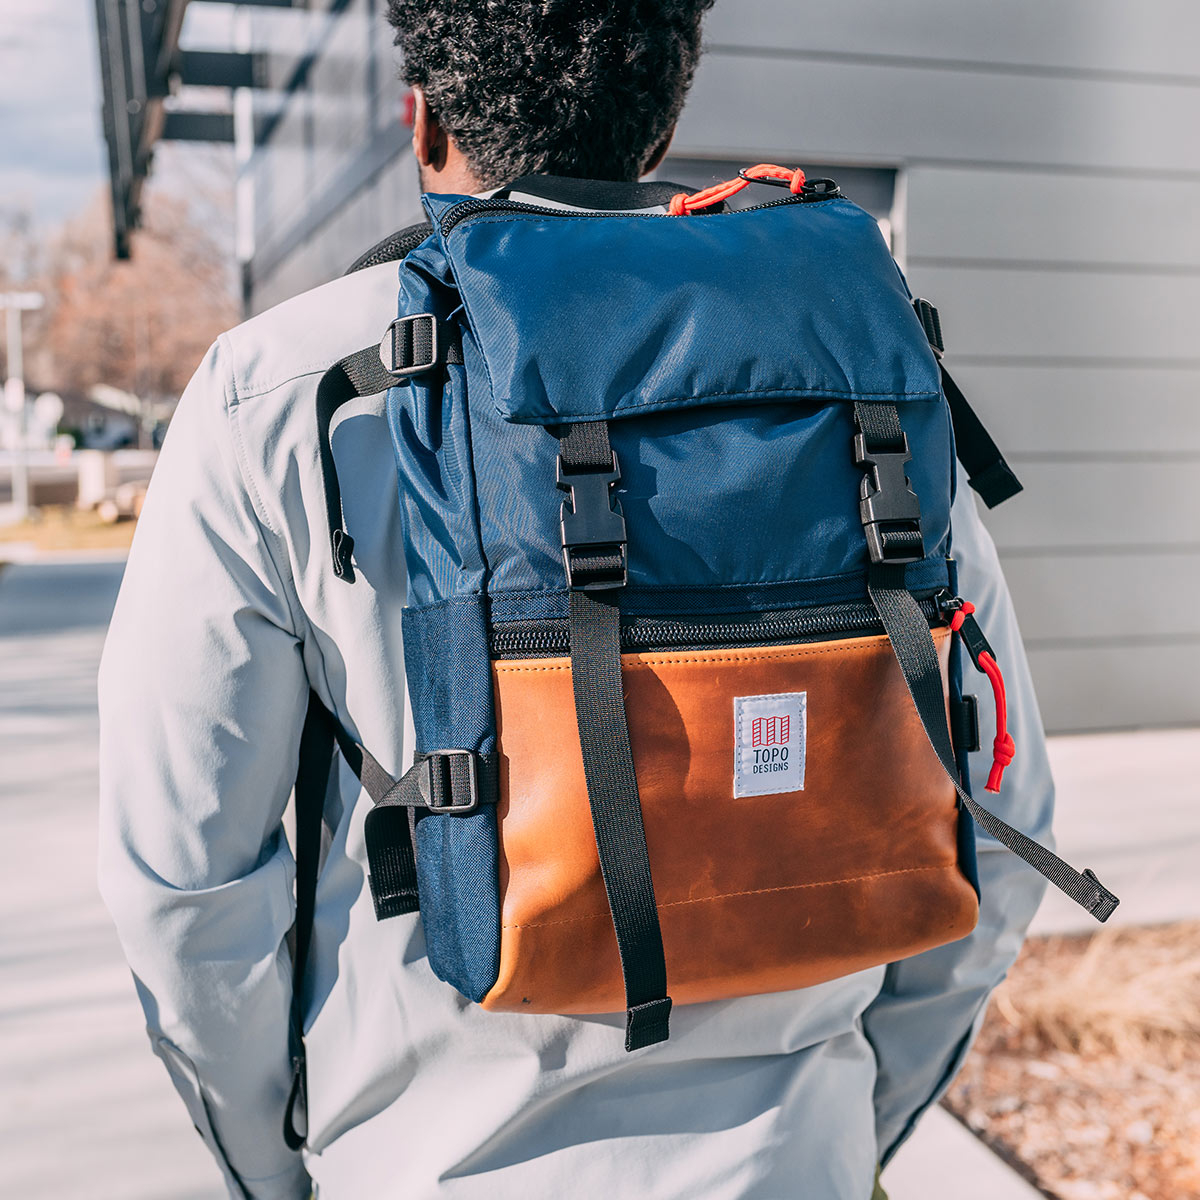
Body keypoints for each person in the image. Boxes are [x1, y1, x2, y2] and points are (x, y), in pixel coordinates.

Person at [97, 2, 1053, 1197]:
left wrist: (273, 1174)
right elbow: (1004, 821)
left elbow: (184, 884)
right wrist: (856, 1125)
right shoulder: (858, 356)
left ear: (421, 117)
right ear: (662, 120)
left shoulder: (283, 390)